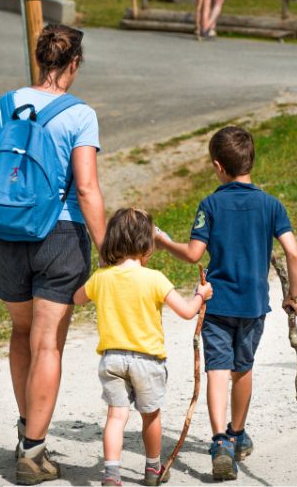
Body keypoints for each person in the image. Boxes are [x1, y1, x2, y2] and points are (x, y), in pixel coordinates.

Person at [0, 24, 106, 485]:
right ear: (74, 64)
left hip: (5, 235)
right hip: (59, 235)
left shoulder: (3, 104)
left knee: (21, 333)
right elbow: (86, 188)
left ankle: (26, 433)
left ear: (39, 59)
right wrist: (108, 247)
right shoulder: (79, 114)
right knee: (46, 343)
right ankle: (32, 453)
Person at [155, 126, 297, 481]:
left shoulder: (211, 204)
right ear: (250, 161)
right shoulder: (271, 204)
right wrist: (292, 296)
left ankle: (220, 441)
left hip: (217, 306)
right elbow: (294, 254)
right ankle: (238, 433)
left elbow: (193, 255)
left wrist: (163, 242)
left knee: (217, 370)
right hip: (253, 306)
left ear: (218, 166)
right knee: (243, 369)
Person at [73, 208, 213, 487]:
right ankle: (152, 469)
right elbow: (186, 312)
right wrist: (201, 295)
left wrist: (100, 272)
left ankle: (111, 473)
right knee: (151, 415)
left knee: (116, 415)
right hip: (147, 361)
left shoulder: (102, 278)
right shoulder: (154, 279)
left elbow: (77, 299)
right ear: (147, 247)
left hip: (112, 359)